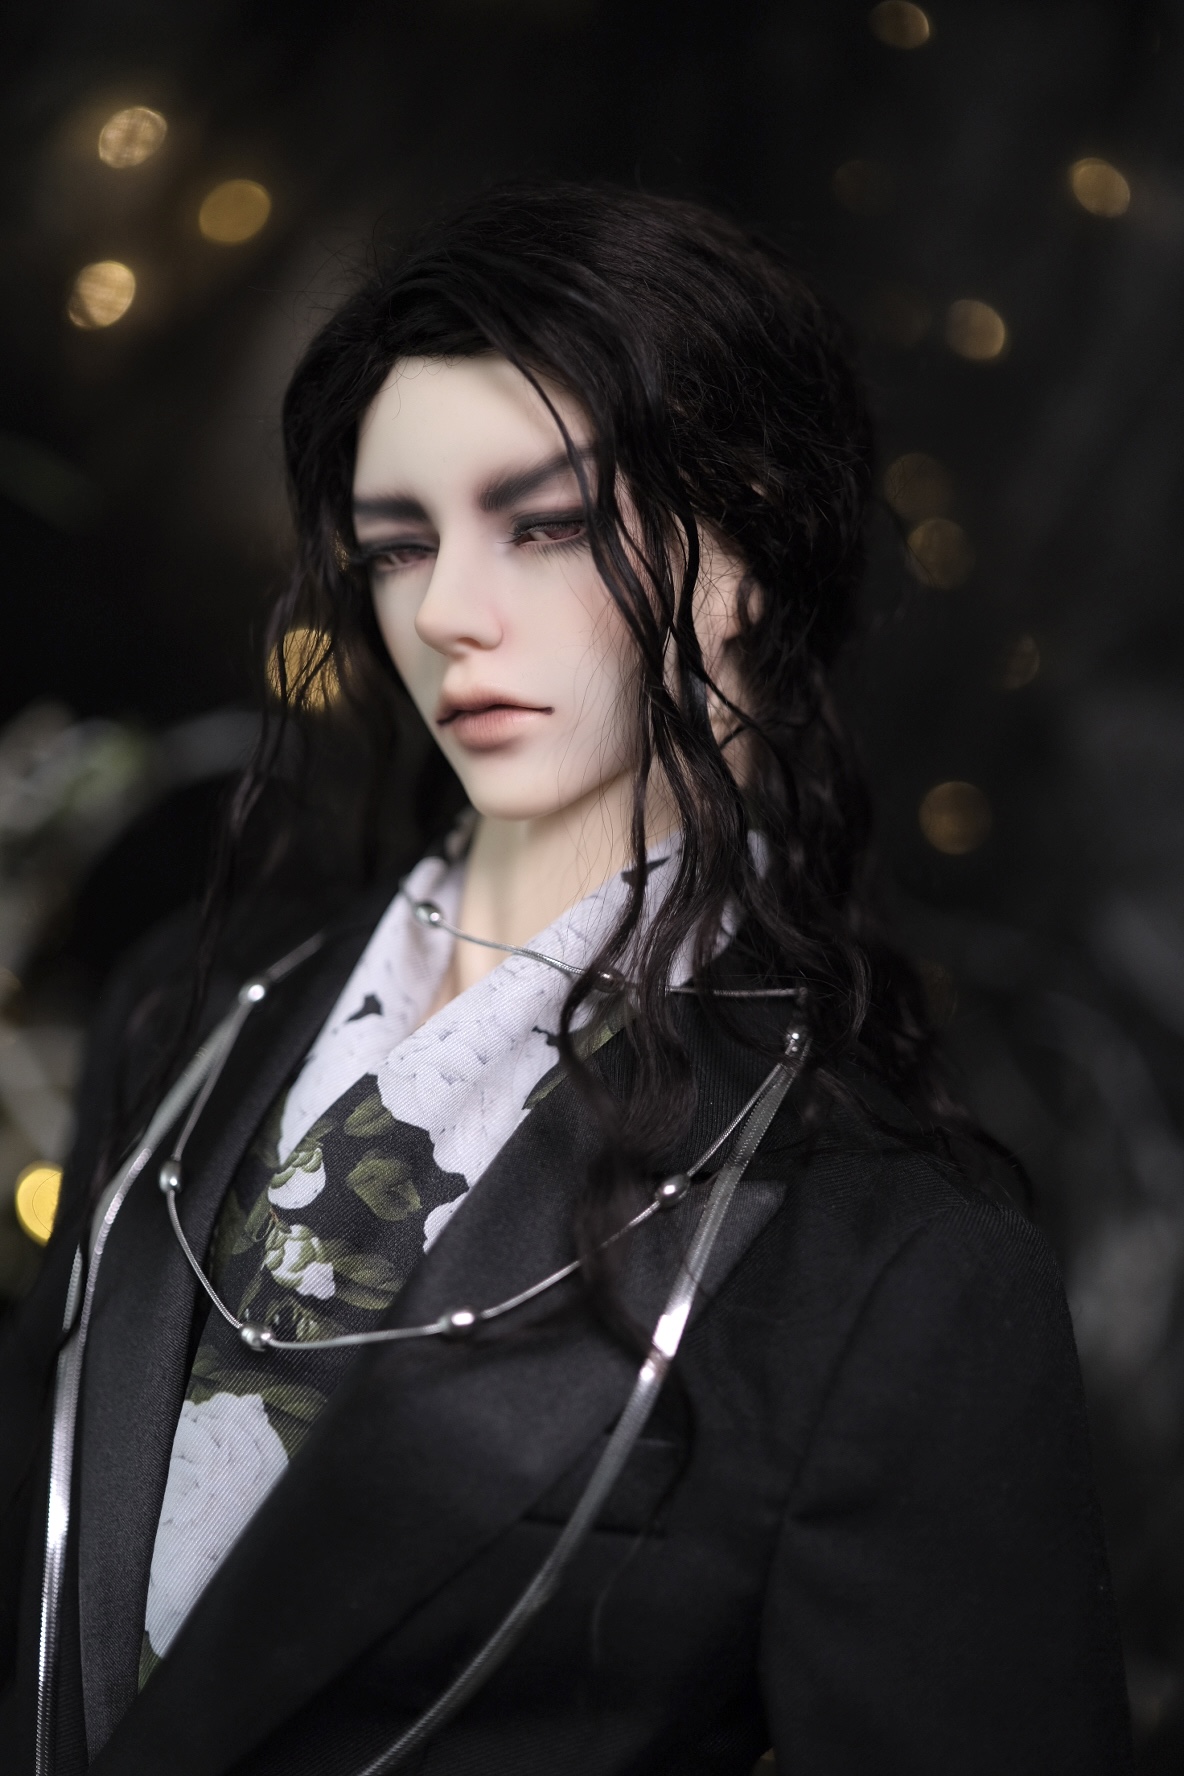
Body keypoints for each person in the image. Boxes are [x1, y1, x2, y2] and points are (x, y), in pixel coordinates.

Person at [0, 183, 1131, 1775]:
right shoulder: (182, 1013)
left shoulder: (890, 1261)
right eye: (398, 544)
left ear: (743, 548)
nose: (447, 611)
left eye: (545, 525)